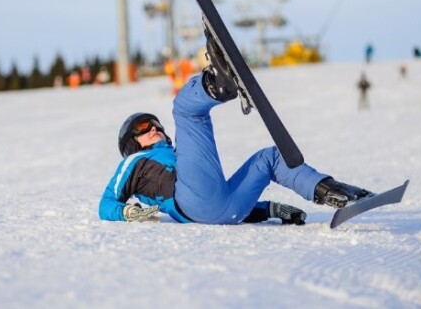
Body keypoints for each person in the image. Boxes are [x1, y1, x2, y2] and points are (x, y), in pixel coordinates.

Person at [98, 30, 373, 225]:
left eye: (156, 124)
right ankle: (216, 85)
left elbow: (218, 203)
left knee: (271, 158)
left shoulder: (179, 156)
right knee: (185, 110)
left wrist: (269, 210)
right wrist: (125, 213)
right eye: (144, 127)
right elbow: (106, 203)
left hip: (226, 210)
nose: (155, 128)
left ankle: (330, 190)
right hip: (189, 203)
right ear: (132, 144)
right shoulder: (135, 161)